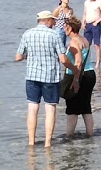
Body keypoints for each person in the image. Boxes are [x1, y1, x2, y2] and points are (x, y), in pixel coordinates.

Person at [14, 10, 70, 147]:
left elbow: (18, 57)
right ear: (47, 21)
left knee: (32, 108)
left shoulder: (27, 34)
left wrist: (30, 56)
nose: (54, 22)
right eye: (53, 20)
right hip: (50, 77)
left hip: (32, 76)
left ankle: (31, 141)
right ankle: (47, 143)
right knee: (50, 109)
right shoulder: (54, 35)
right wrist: (74, 69)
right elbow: (63, 59)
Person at [62, 17, 98, 137]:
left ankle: (69, 137)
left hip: (78, 75)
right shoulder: (84, 40)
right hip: (90, 74)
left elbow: (78, 62)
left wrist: (76, 80)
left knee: (72, 108)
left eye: (64, 26)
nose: (63, 29)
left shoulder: (73, 42)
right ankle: (90, 135)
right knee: (86, 107)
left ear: (70, 28)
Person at [82, 0, 101, 71]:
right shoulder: (86, 2)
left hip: (95, 24)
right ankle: (86, 62)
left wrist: (97, 22)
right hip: (87, 25)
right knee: (86, 45)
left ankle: (97, 63)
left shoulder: (99, 2)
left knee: (96, 45)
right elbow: (85, 13)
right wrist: (83, 23)